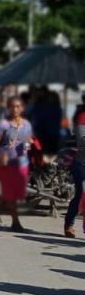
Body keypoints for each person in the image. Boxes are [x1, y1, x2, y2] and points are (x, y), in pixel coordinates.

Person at [0, 96, 33, 232]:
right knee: (11, 194)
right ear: (8, 107)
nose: (15, 109)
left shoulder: (26, 124)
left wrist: (26, 146)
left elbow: (27, 141)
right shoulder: (3, 124)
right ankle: (16, 222)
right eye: (12, 106)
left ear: (22, 108)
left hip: (22, 164)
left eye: (18, 106)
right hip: (6, 164)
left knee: (18, 193)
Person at [65, 101, 85, 238]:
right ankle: (69, 223)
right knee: (82, 193)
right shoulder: (82, 117)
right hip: (81, 162)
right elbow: (82, 142)